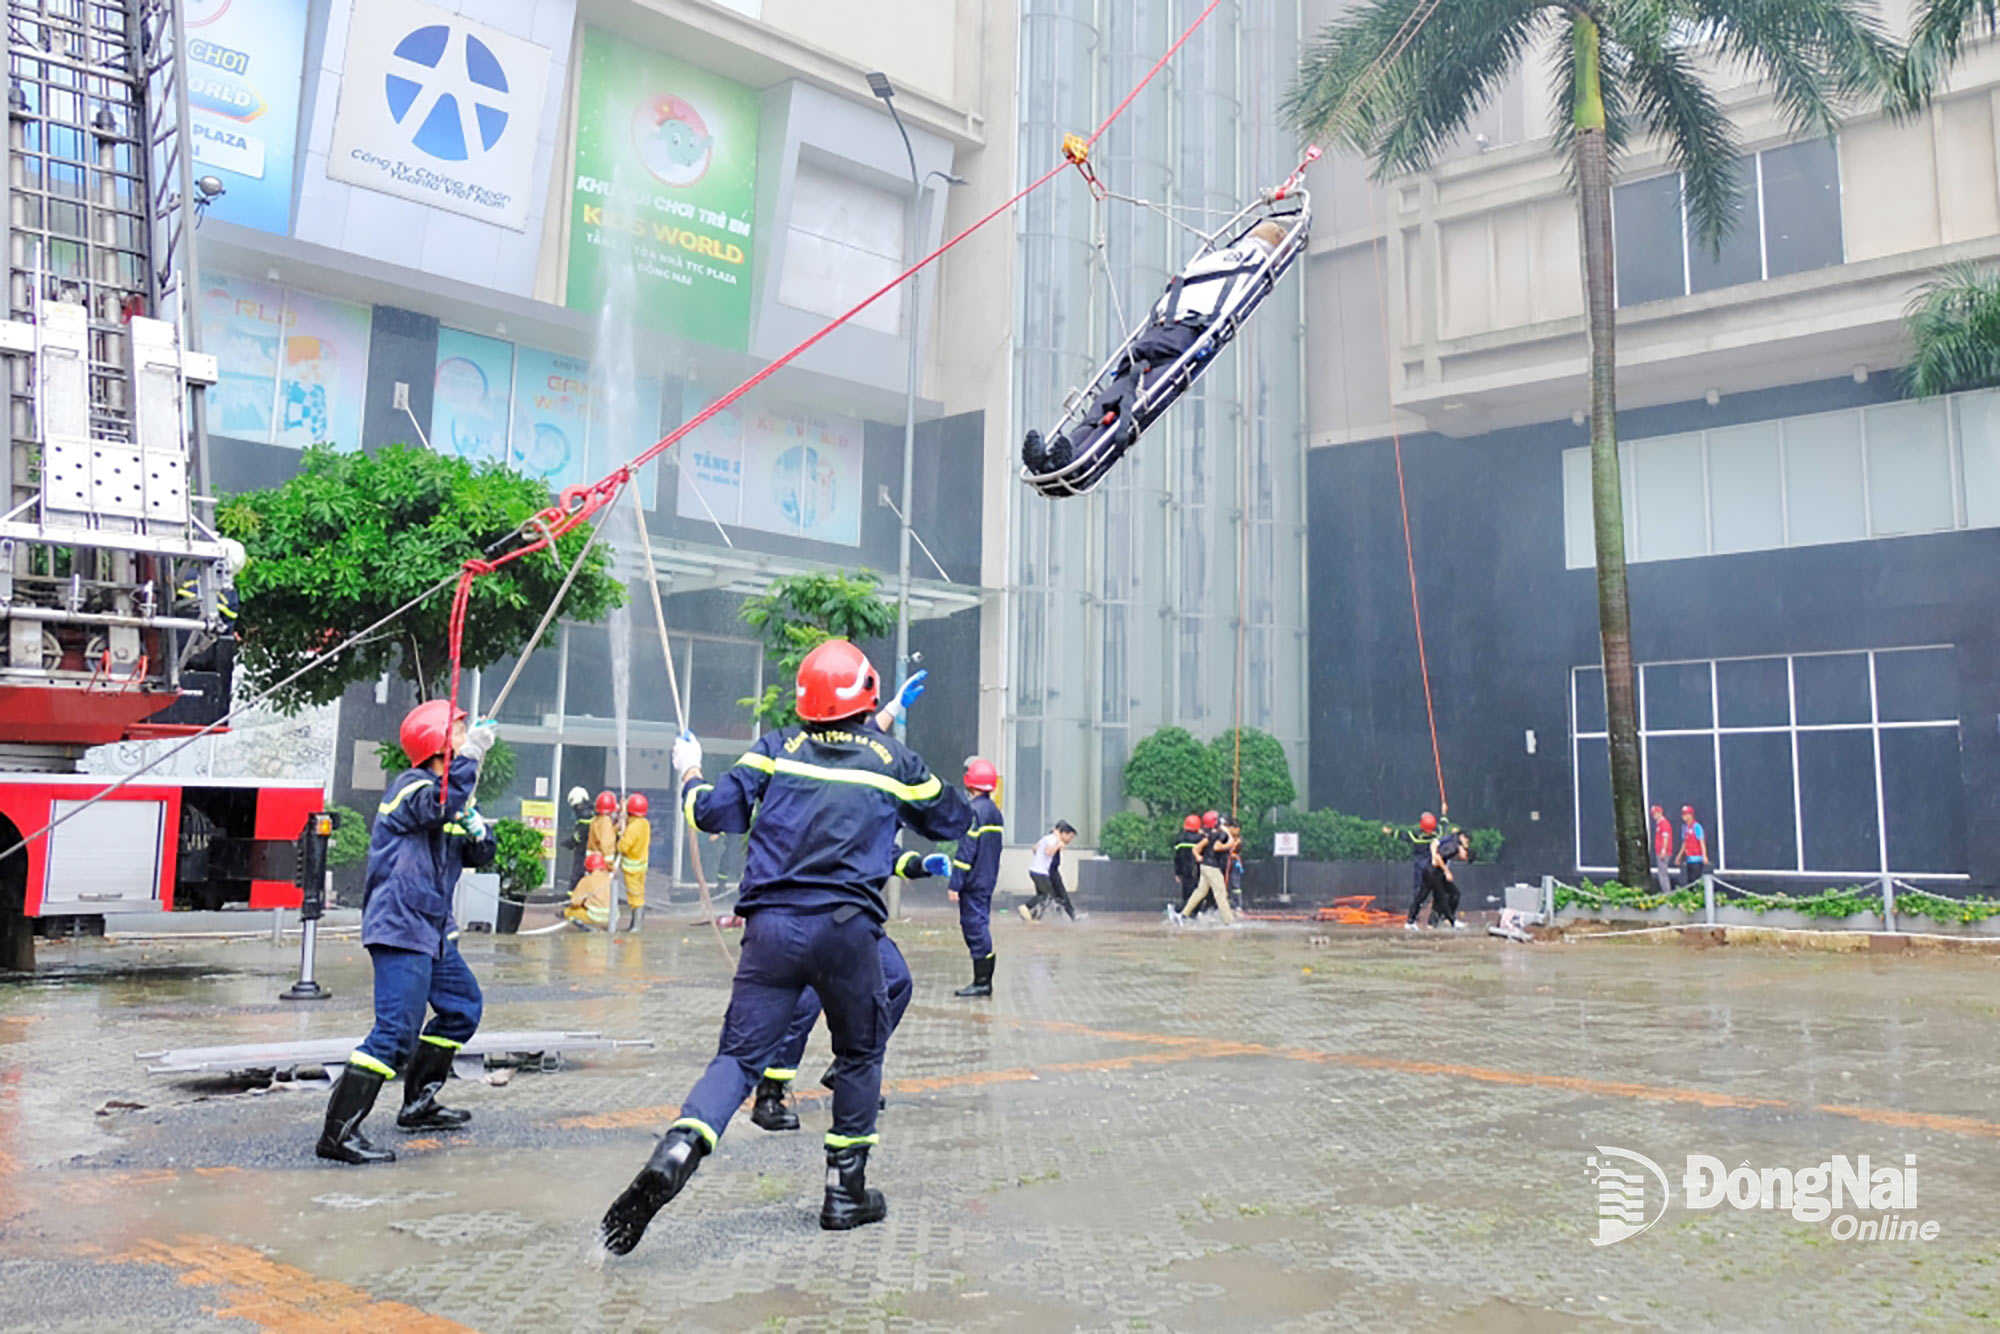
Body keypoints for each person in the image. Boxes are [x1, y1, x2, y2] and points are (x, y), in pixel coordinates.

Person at [598, 639, 972, 1253]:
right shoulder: (893, 761)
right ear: (869, 694)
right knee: (858, 1054)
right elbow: (952, 817)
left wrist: (689, 769)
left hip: (769, 930)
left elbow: (711, 813)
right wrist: (899, 755)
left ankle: (677, 1149)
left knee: (737, 1062)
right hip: (848, 930)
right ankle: (844, 1193)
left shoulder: (775, 748)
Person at [315, 700, 496, 1166]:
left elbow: (479, 857)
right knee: (395, 1033)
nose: (466, 732)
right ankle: (338, 1134)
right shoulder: (410, 789)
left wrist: (479, 832)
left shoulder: (444, 797)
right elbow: (440, 805)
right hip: (401, 928)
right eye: (459, 729)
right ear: (437, 741)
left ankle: (419, 1104)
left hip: (433, 932)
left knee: (462, 1009)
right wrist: (472, 758)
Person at [1023, 221, 1289, 475]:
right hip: (1180, 345)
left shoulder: (1211, 259)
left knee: (1101, 409)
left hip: (1150, 340)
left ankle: (1053, 457)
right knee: (1128, 413)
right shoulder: (1255, 267)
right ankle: (1073, 462)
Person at [748, 849, 947, 1133]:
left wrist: (918, 864)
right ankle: (769, 1095)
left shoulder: (865, 809)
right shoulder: (804, 810)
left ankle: (847, 1069)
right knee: (803, 1003)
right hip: (809, 920)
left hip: (856, 919)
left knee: (896, 981)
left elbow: (883, 849)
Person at [947, 759, 1005, 996]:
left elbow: (966, 851)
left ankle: (982, 981)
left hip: (972, 882)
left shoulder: (973, 812)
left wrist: (955, 883)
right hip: (987, 879)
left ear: (970, 784)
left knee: (975, 926)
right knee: (981, 924)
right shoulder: (995, 813)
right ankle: (983, 979)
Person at [1177, 811, 1236, 926]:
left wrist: (1199, 857)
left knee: (1200, 892)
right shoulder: (1221, 834)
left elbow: (1196, 849)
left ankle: (1183, 915)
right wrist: (1230, 841)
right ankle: (1229, 921)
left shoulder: (1209, 835)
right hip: (1213, 868)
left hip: (1204, 866)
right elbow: (1217, 847)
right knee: (1221, 894)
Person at [1018, 821, 1078, 922]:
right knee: (1047, 896)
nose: (1070, 840)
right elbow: (1048, 852)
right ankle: (1026, 907)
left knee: (1044, 897)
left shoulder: (1047, 838)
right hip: (1040, 872)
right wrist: (1058, 846)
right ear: (1063, 833)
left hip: (1038, 871)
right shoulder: (1052, 839)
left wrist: (1040, 858)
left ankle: (1034, 918)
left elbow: (1035, 848)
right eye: (1070, 837)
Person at [1398, 812, 1441, 931]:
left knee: (1418, 894)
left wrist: (1390, 832)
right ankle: (1432, 921)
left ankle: (1413, 919)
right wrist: (1444, 814)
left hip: (1421, 869)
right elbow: (1444, 825)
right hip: (1432, 869)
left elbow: (1402, 835)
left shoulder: (1415, 836)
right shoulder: (1437, 834)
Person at [618, 793, 652, 931]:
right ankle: (635, 924)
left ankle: (636, 926)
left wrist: (620, 835)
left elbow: (622, 847)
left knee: (634, 897)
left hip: (631, 869)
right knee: (640, 894)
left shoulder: (632, 828)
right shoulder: (644, 823)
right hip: (642, 866)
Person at [566, 852, 614, 929]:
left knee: (568, 912)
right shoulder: (608, 879)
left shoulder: (586, 880)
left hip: (595, 915)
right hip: (612, 916)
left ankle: (588, 928)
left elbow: (575, 902)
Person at [1169, 814, 1202, 919]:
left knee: (1186, 893)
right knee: (1196, 894)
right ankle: (1183, 913)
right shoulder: (1200, 839)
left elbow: (1177, 858)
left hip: (1184, 871)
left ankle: (1181, 912)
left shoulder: (1180, 839)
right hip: (1197, 870)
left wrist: (1177, 873)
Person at [561, 787, 594, 892]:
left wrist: (569, 843)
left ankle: (573, 901)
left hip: (583, 851)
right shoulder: (590, 812)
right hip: (587, 849)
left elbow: (580, 835)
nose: (576, 809)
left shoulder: (585, 815)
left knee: (577, 875)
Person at [1675, 805, 1709, 888]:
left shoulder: (1696, 826)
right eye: (1683, 814)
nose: (1684, 816)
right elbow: (1684, 843)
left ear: (1691, 815)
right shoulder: (1684, 827)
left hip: (1697, 858)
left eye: (1686, 814)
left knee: (1696, 880)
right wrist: (1679, 856)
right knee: (1689, 881)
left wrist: (1704, 856)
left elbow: (1701, 841)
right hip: (1688, 858)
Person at [1651, 805, 1676, 896]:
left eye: (1655, 813)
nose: (1653, 815)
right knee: (1662, 872)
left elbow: (1665, 837)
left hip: (1663, 852)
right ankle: (1666, 891)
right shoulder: (1660, 824)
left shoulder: (1663, 824)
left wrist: (1663, 850)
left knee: (1663, 873)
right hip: (1661, 851)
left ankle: (1667, 893)